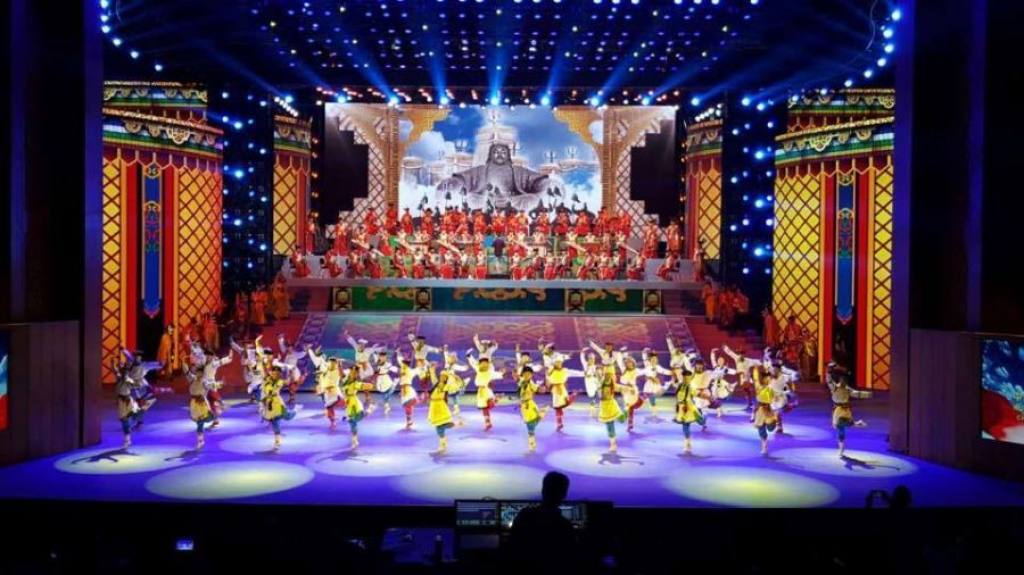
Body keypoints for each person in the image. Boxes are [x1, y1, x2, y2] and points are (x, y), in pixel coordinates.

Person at [507, 472, 576, 575]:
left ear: (543, 490)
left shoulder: (524, 515)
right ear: (564, 495)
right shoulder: (565, 526)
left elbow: (511, 546)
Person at [826, 361, 868, 457]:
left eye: (844, 380)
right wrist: (828, 371)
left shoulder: (847, 389)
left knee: (842, 426)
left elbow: (857, 394)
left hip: (846, 410)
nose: (843, 381)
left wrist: (868, 394)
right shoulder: (834, 387)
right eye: (842, 380)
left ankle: (856, 424)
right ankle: (841, 448)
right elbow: (828, 380)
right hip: (838, 410)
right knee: (840, 428)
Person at [261, 366, 297, 450]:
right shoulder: (266, 381)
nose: (274, 375)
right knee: (275, 422)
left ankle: (296, 410)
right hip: (270, 404)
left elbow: (288, 381)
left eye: (277, 373)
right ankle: (277, 440)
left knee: (288, 416)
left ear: (279, 374)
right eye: (273, 373)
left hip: (278, 403)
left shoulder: (280, 381)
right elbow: (264, 391)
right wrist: (263, 402)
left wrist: (291, 373)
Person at [516, 366, 547, 452]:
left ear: (531, 375)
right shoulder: (521, 381)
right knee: (530, 424)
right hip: (524, 407)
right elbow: (519, 388)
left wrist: (542, 389)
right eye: (525, 374)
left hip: (530, 405)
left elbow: (539, 390)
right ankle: (542, 413)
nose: (527, 375)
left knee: (530, 426)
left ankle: (532, 444)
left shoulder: (531, 383)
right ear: (522, 374)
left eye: (529, 374)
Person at [467, 353, 500, 430]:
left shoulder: (490, 372)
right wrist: (469, 356)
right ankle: (488, 423)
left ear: (488, 365)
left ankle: (496, 399)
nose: (484, 365)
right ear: (480, 364)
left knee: (489, 404)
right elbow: (473, 363)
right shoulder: (478, 369)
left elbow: (497, 375)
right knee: (484, 408)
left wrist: (501, 373)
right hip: (480, 392)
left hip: (487, 391)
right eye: (482, 363)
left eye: (486, 364)